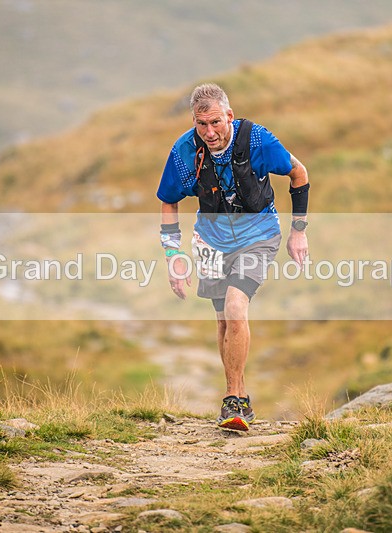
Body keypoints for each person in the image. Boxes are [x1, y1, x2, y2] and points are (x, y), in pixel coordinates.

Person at [156, 83, 310, 431]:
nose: (209, 132)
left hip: (259, 236)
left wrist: (298, 230)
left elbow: (299, 173)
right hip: (210, 241)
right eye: (200, 124)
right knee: (224, 319)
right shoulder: (183, 152)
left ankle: (233, 400)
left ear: (229, 115)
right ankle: (239, 398)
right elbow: (168, 200)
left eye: (215, 122)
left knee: (236, 306)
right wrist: (172, 253)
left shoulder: (257, 140)